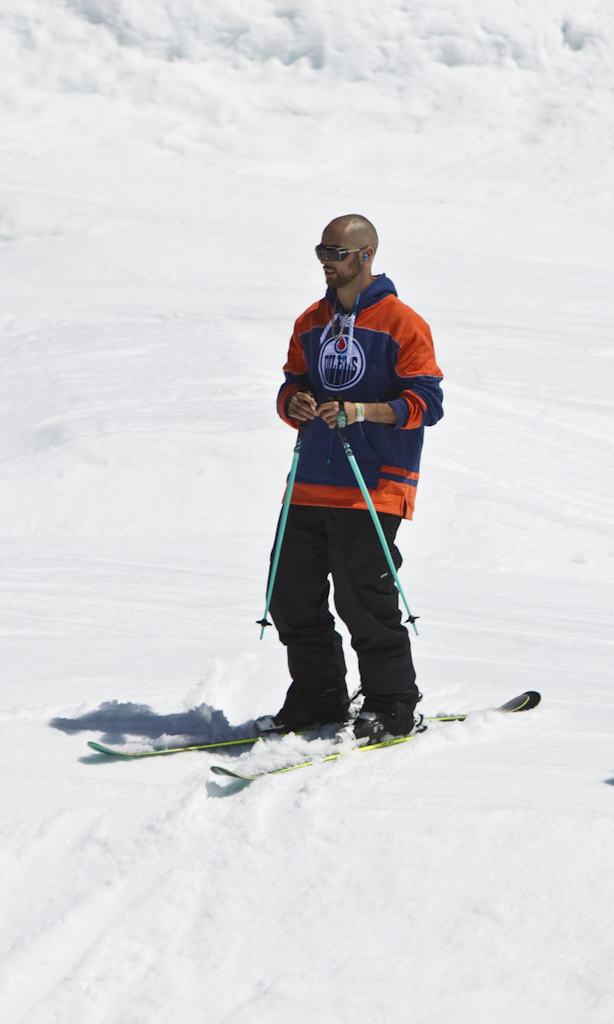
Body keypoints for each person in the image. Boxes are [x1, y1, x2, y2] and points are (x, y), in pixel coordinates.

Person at [258, 214, 444, 744]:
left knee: (364, 600)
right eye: (321, 251)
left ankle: (393, 705)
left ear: (365, 256)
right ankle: (318, 698)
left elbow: (426, 404)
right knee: (290, 596)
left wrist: (363, 412)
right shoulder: (310, 321)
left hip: (375, 484)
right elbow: (292, 383)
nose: (326, 261)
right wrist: (290, 402)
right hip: (311, 479)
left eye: (336, 252)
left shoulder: (402, 323)